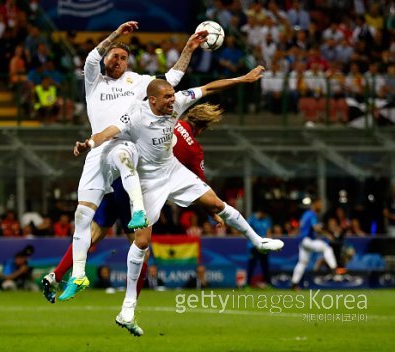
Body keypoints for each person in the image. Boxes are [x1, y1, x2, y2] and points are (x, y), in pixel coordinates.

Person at [74, 73, 284, 336]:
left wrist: (244, 79)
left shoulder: (178, 102)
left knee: (216, 203)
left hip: (172, 170)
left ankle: (258, 241)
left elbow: (209, 87)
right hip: (148, 181)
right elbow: (109, 131)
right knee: (141, 243)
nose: (173, 101)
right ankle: (128, 307)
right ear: (152, 100)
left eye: (173, 96)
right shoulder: (135, 115)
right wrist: (90, 143)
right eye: (167, 97)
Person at [43, 20, 208, 303]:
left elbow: (172, 79)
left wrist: (189, 49)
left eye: (123, 57)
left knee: (136, 241)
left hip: (127, 154)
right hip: (99, 153)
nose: (118, 60)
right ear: (106, 57)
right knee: (84, 219)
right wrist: (116, 36)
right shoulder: (94, 80)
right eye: (114, 56)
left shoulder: (138, 82)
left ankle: (125, 302)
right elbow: (93, 56)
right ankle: (71, 276)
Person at [291, 198, 339, 290]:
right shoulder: (312, 214)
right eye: (319, 204)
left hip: (303, 241)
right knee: (327, 248)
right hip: (307, 240)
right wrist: (327, 234)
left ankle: (294, 283)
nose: (321, 206)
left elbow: (300, 227)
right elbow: (316, 228)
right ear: (315, 203)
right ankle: (334, 269)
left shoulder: (305, 214)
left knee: (302, 263)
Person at [246, 209, 273, 288]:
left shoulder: (267, 219)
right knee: (251, 265)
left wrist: (269, 243)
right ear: (260, 212)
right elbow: (248, 231)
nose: (265, 216)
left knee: (265, 265)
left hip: (264, 246)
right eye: (263, 214)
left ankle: (268, 283)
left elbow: (268, 232)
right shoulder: (251, 219)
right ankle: (247, 284)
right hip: (253, 246)